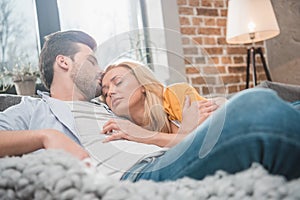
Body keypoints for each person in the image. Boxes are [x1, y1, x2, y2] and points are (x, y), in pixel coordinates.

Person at [0, 30, 299, 182]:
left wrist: (196, 125)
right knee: (256, 107)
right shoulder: (31, 110)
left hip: (169, 158)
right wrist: (47, 137)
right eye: (91, 60)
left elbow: (169, 134)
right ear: (64, 62)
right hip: (137, 177)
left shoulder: (108, 108)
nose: (101, 72)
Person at [101, 60, 220, 147]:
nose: (110, 92)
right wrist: (185, 132)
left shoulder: (175, 94)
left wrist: (145, 135)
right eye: (105, 93)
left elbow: (214, 136)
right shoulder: (126, 130)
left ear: (143, 84)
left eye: (119, 82)